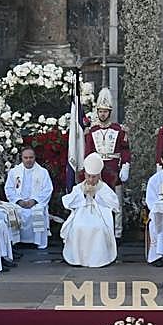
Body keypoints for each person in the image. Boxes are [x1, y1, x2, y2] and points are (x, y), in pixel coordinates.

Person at [85, 88, 132, 239]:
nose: (103, 114)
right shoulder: (92, 131)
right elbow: (88, 152)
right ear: (97, 112)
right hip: (97, 171)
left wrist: (125, 166)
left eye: (105, 111)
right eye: (100, 111)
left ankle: (117, 233)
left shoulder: (119, 130)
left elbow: (125, 150)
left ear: (110, 112)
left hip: (113, 170)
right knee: (97, 202)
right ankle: (98, 231)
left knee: (116, 203)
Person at [60, 154, 119, 267]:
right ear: (85, 175)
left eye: (94, 177)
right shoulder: (79, 187)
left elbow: (114, 204)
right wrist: (83, 194)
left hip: (99, 215)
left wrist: (96, 195)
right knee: (77, 227)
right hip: (82, 214)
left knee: (99, 229)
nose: (91, 180)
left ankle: (98, 259)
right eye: (89, 176)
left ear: (98, 176)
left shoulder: (104, 188)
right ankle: (78, 258)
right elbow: (68, 202)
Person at [3, 147, 53, 251]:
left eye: (31, 157)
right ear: (22, 158)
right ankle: (17, 241)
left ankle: (37, 241)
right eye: (26, 157)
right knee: (15, 212)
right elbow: (9, 189)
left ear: (35, 158)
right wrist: (18, 201)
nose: (28, 160)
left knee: (37, 211)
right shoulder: (14, 172)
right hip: (19, 202)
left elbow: (48, 189)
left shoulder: (43, 172)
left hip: (36, 203)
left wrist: (34, 201)